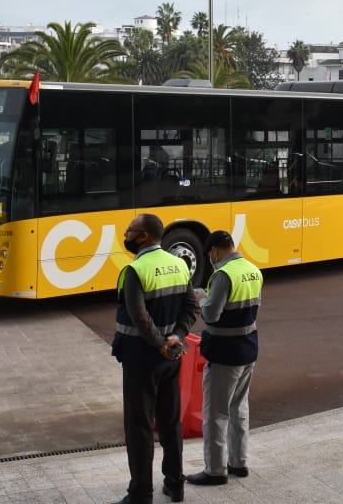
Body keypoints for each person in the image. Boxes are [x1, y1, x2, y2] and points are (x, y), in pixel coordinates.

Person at [112, 213, 197, 504]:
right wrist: (178, 337)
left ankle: (141, 493)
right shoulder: (179, 264)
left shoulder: (134, 270)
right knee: (170, 421)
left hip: (141, 356)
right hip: (172, 356)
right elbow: (190, 307)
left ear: (144, 236)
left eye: (130, 230)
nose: (126, 234)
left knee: (139, 425)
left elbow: (139, 316)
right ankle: (175, 484)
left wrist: (159, 343)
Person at [186, 231, 263, 487]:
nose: (211, 259)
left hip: (224, 353)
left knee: (216, 413)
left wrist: (200, 298)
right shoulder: (253, 270)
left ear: (215, 251)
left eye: (210, 255)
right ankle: (239, 463)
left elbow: (211, 314)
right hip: (248, 349)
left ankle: (215, 470)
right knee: (239, 409)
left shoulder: (223, 275)